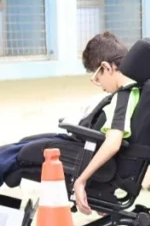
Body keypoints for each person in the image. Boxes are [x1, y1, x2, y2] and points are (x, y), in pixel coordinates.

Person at [0, 32, 139, 211]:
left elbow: (113, 143)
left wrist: (81, 181)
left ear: (106, 67)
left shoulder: (123, 98)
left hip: (85, 151)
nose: (101, 85)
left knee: (15, 156)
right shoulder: (130, 92)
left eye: (98, 78)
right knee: (15, 149)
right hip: (81, 144)